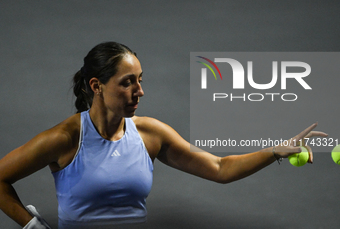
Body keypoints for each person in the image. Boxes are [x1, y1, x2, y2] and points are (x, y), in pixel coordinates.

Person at [0, 42, 327, 229]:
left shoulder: (150, 134)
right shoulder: (65, 138)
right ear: (96, 86)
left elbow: (219, 168)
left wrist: (275, 151)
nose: (139, 91)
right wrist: (31, 225)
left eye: (140, 80)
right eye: (127, 82)